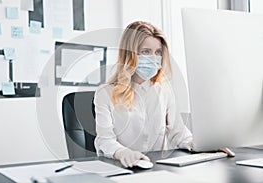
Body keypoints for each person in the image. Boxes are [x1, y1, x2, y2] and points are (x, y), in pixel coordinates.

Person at [93, 21, 234, 168]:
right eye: (146, 51)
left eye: (158, 52)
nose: (153, 58)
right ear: (130, 54)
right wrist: (123, 153)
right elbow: (104, 140)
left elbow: (178, 133)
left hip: (155, 167)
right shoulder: (105, 93)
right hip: (119, 167)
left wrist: (202, 145)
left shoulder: (164, 90)